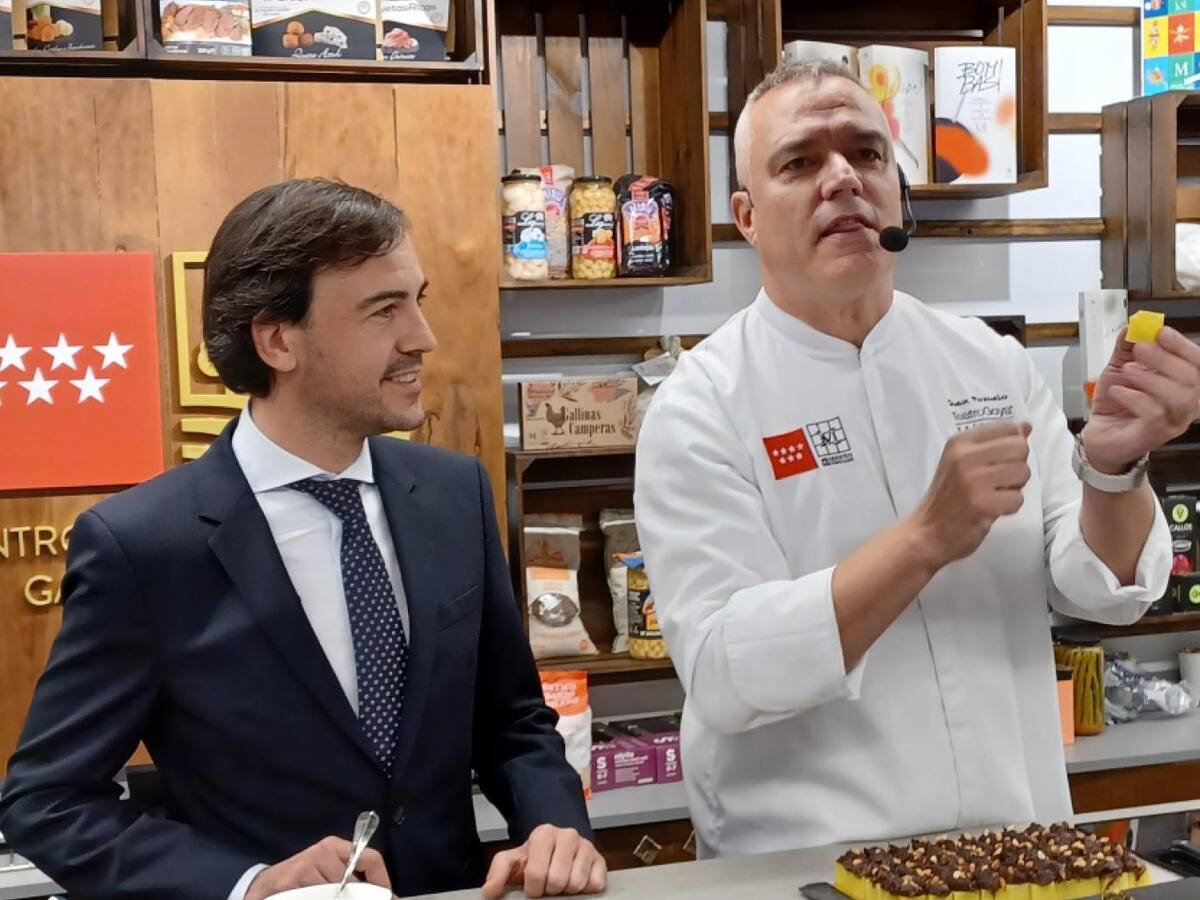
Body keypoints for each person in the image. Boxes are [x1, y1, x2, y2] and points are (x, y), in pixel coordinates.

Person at [634, 61, 1200, 858]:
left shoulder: (989, 364)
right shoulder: (701, 406)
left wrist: (1113, 467)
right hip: (808, 865)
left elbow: (1101, 590)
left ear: (897, 195)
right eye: (800, 161)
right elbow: (727, 673)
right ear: (747, 217)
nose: (843, 178)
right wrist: (925, 539)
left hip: (1014, 848)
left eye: (867, 154)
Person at [0, 179, 607, 900]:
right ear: (278, 340)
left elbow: (513, 721)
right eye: (384, 310)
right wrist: (248, 883)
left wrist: (553, 825)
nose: (422, 336)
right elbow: (48, 801)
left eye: (418, 300)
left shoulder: (455, 495)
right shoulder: (142, 546)